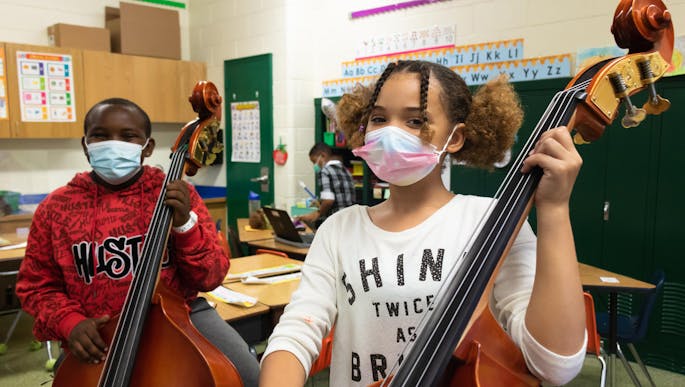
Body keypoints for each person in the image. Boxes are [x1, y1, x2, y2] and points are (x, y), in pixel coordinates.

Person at [259, 60, 586, 386]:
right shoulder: (338, 229)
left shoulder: (493, 223)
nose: (391, 131)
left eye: (415, 120)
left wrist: (554, 210)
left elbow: (555, 365)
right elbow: (297, 333)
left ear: (455, 138)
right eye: (379, 118)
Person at [15, 98, 260, 386]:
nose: (113, 143)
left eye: (128, 136)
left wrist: (184, 224)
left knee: (248, 375)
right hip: (95, 332)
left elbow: (211, 275)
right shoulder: (55, 208)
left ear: (148, 146)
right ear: (85, 145)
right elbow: (36, 285)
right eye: (100, 135)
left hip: (179, 315)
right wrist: (70, 323)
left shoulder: (176, 193)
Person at [297, 142, 356, 228]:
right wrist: (320, 202)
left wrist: (317, 213)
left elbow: (328, 200)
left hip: (336, 221)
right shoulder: (346, 170)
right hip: (350, 220)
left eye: (314, 161)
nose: (315, 165)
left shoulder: (325, 171)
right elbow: (340, 195)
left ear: (323, 156)